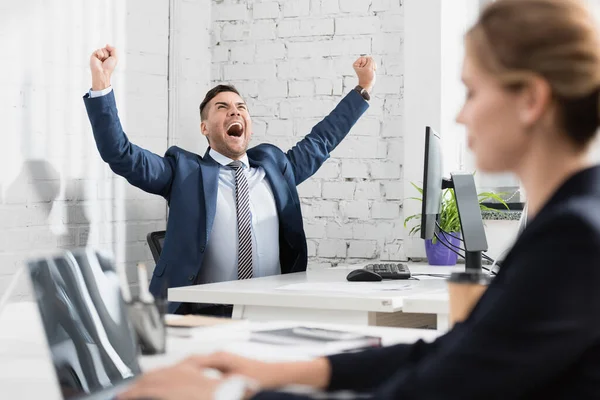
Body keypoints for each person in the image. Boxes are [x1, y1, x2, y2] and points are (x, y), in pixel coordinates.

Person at [118, 0, 600, 398]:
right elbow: (445, 355)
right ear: (206, 126)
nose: (460, 115)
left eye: (471, 92)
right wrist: (290, 372)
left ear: (531, 100)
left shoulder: (572, 240)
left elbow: (433, 387)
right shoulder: (572, 224)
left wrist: (230, 392)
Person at [84, 47, 376, 315]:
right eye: (222, 107)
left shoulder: (275, 169)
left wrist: (362, 88)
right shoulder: (183, 173)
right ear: (204, 128)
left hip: (271, 310)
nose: (234, 110)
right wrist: (102, 86)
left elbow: (320, 141)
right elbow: (121, 154)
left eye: (240, 106)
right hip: (205, 315)